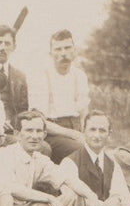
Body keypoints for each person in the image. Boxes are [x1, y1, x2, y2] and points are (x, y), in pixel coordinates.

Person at [28, 29, 91, 162]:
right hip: (52, 133)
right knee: (81, 150)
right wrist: (74, 134)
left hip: (76, 129)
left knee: (99, 151)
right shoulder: (41, 77)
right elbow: (40, 121)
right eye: (58, 49)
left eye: (67, 48)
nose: (63, 53)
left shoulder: (80, 75)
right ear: (50, 53)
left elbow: (84, 114)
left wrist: (86, 134)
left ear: (74, 51)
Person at [0, 24, 29, 130]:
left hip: (13, 129)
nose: (3, 47)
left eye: (7, 44)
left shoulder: (20, 77)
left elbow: (23, 110)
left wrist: (13, 123)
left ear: (14, 47)